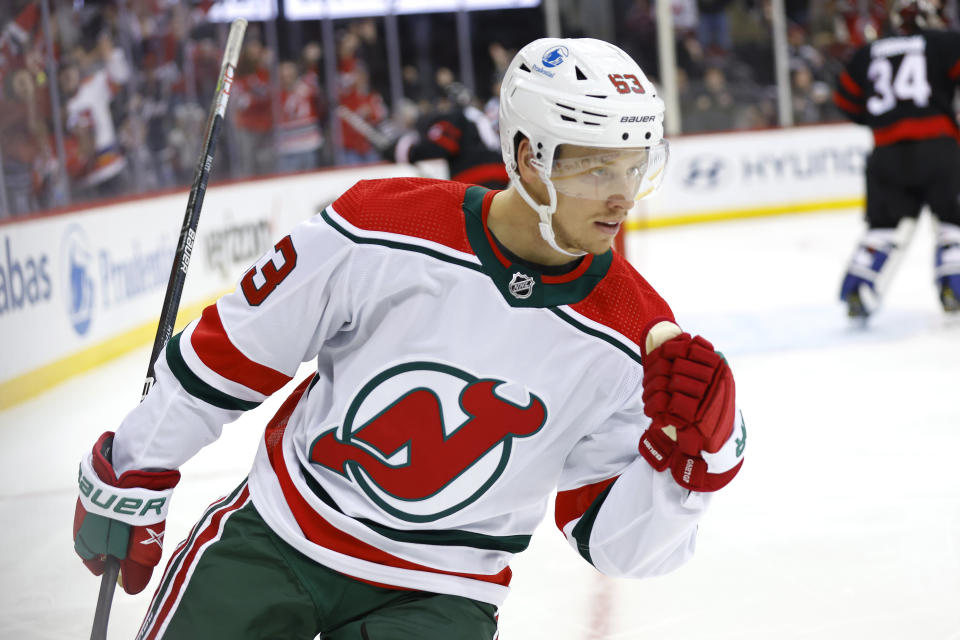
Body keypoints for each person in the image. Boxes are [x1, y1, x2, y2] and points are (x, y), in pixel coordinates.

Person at [72, 38, 747, 639]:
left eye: (634, 166)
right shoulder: (377, 226)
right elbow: (233, 351)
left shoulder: (640, 337)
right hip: (280, 536)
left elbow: (615, 546)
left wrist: (689, 468)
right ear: (526, 156)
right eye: (595, 168)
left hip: (442, 595)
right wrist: (136, 466)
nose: (621, 196)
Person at [832, 0, 960, 318]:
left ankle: (857, 288)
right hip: (939, 149)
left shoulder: (867, 53)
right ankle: (953, 288)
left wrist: (883, 121)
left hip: (886, 153)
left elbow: (844, 100)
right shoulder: (944, 42)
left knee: (883, 227)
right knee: (952, 222)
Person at [386, 82, 509, 190]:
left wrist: (407, 151)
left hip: (474, 178)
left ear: (444, 101)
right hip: (501, 173)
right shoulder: (479, 115)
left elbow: (443, 145)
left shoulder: (454, 116)